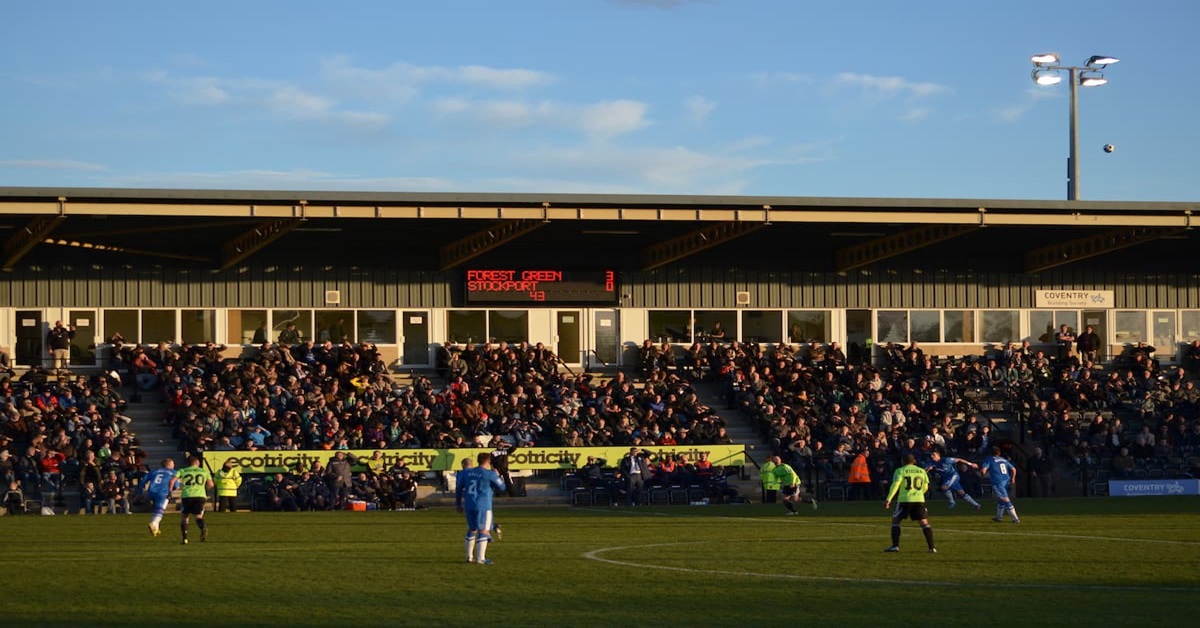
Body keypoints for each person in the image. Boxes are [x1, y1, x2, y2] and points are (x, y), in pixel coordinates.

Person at [455, 452, 505, 565]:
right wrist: (497, 476)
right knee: (483, 530)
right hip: (483, 505)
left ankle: (469, 557)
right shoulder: (489, 474)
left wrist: (458, 503)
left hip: (469, 504)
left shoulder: (466, 473)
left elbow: (458, 489)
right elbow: (502, 487)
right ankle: (480, 558)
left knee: (472, 529)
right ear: (488, 462)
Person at [883, 453, 936, 553]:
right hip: (919, 499)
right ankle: (932, 547)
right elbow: (926, 487)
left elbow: (896, 485)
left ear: (903, 461)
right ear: (914, 461)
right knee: (924, 523)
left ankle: (895, 546)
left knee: (895, 521)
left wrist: (889, 499)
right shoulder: (922, 471)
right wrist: (919, 493)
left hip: (905, 500)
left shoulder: (900, 471)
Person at [175, 456, 214, 544]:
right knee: (198, 516)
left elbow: (173, 480)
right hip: (200, 495)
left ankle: (185, 538)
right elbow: (211, 484)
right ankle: (202, 528)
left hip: (187, 495)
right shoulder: (204, 471)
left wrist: (174, 487)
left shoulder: (182, 471)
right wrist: (204, 489)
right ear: (197, 462)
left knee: (185, 516)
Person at [981, 446, 1020, 524]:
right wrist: (1013, 478)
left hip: (998, 482)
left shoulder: (989, 459)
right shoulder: (1003, 460)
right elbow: (1013, 469)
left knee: (1005, 499)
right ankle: (999, 517)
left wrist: (983, 474)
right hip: (1006, 480)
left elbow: (983, 471)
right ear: (999, 453)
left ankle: (1015, 519)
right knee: (1001, 498)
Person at [141, 459, 177, 536]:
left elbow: (143, 480)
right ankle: (153, 523)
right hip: (163, 492)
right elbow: (176, 485)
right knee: (160, 509)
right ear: (169, 464)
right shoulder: (174, 472)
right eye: (173, 464)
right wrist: (172, 490)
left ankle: (156, 529)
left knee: (156, 509)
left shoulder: (154, 471)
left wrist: (139, 492)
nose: (174, 465)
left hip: (151, 492)